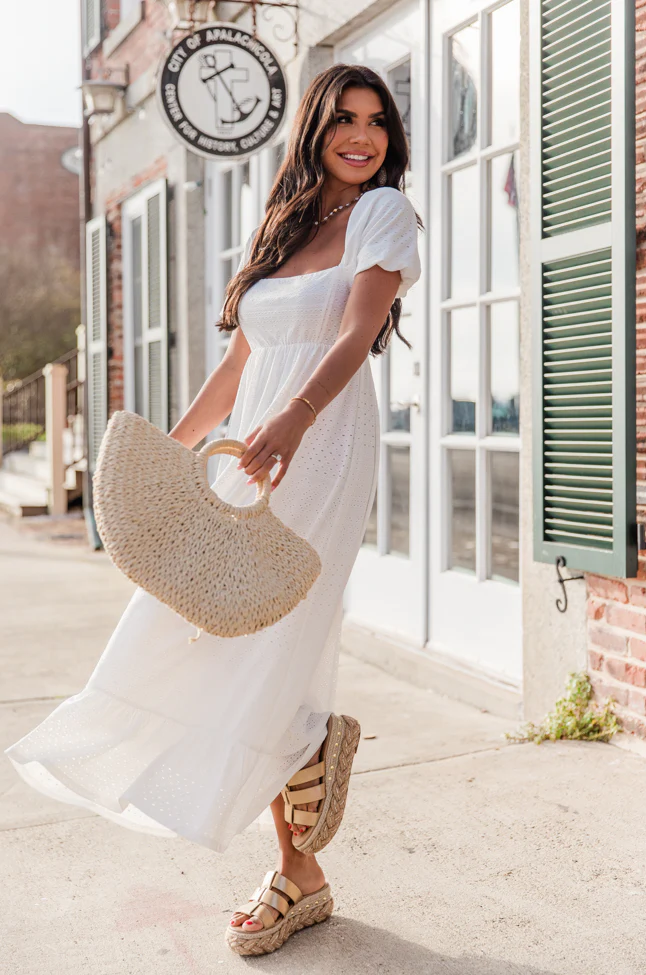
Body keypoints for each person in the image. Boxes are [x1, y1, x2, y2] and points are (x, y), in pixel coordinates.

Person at [4, 62, 422, 956]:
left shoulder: (384, 212)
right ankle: (306, 779)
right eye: (344, 119)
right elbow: (237, 366)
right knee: (207, 628)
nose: (362, 136)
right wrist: (174, 454)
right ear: (313, 130)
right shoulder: (284, 224)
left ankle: (297, 866)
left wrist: (295, 418)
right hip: (253, 440)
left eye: (377, 121)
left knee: (268, 644)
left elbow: (357, 334)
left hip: (321, 438)